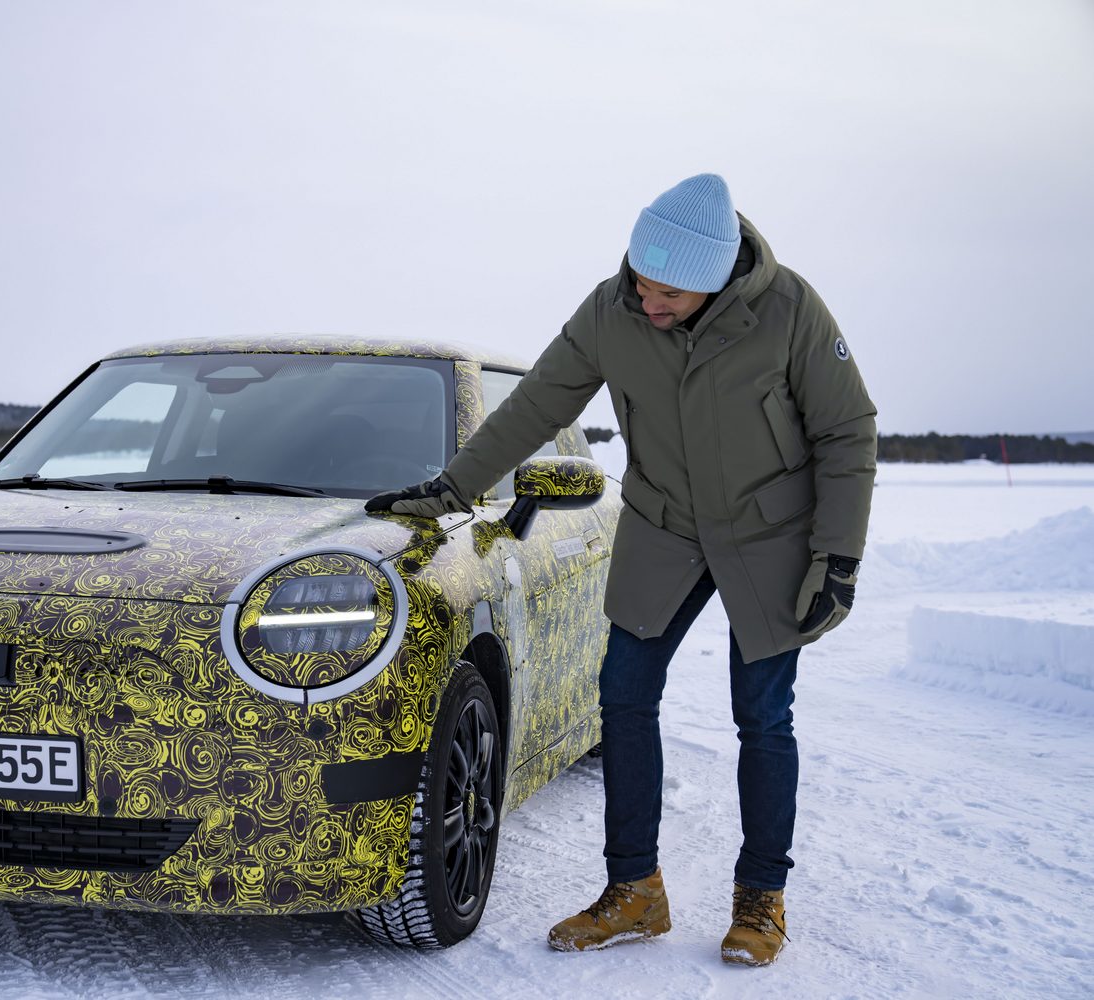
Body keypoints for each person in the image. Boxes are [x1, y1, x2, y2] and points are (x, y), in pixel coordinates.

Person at [366, 174, 876, 967]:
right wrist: (453, 488)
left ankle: (761, 896)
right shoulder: (612, 309)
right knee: (624, 695)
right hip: (665, 525)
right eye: (641, 280)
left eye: (668, 292)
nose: (648, 301)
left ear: (715, 281)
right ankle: (635, 888)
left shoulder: (789, 310)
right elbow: (536, 404)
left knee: (762, 714)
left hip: (770, 534)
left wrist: (836, 556)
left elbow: (848, 430)